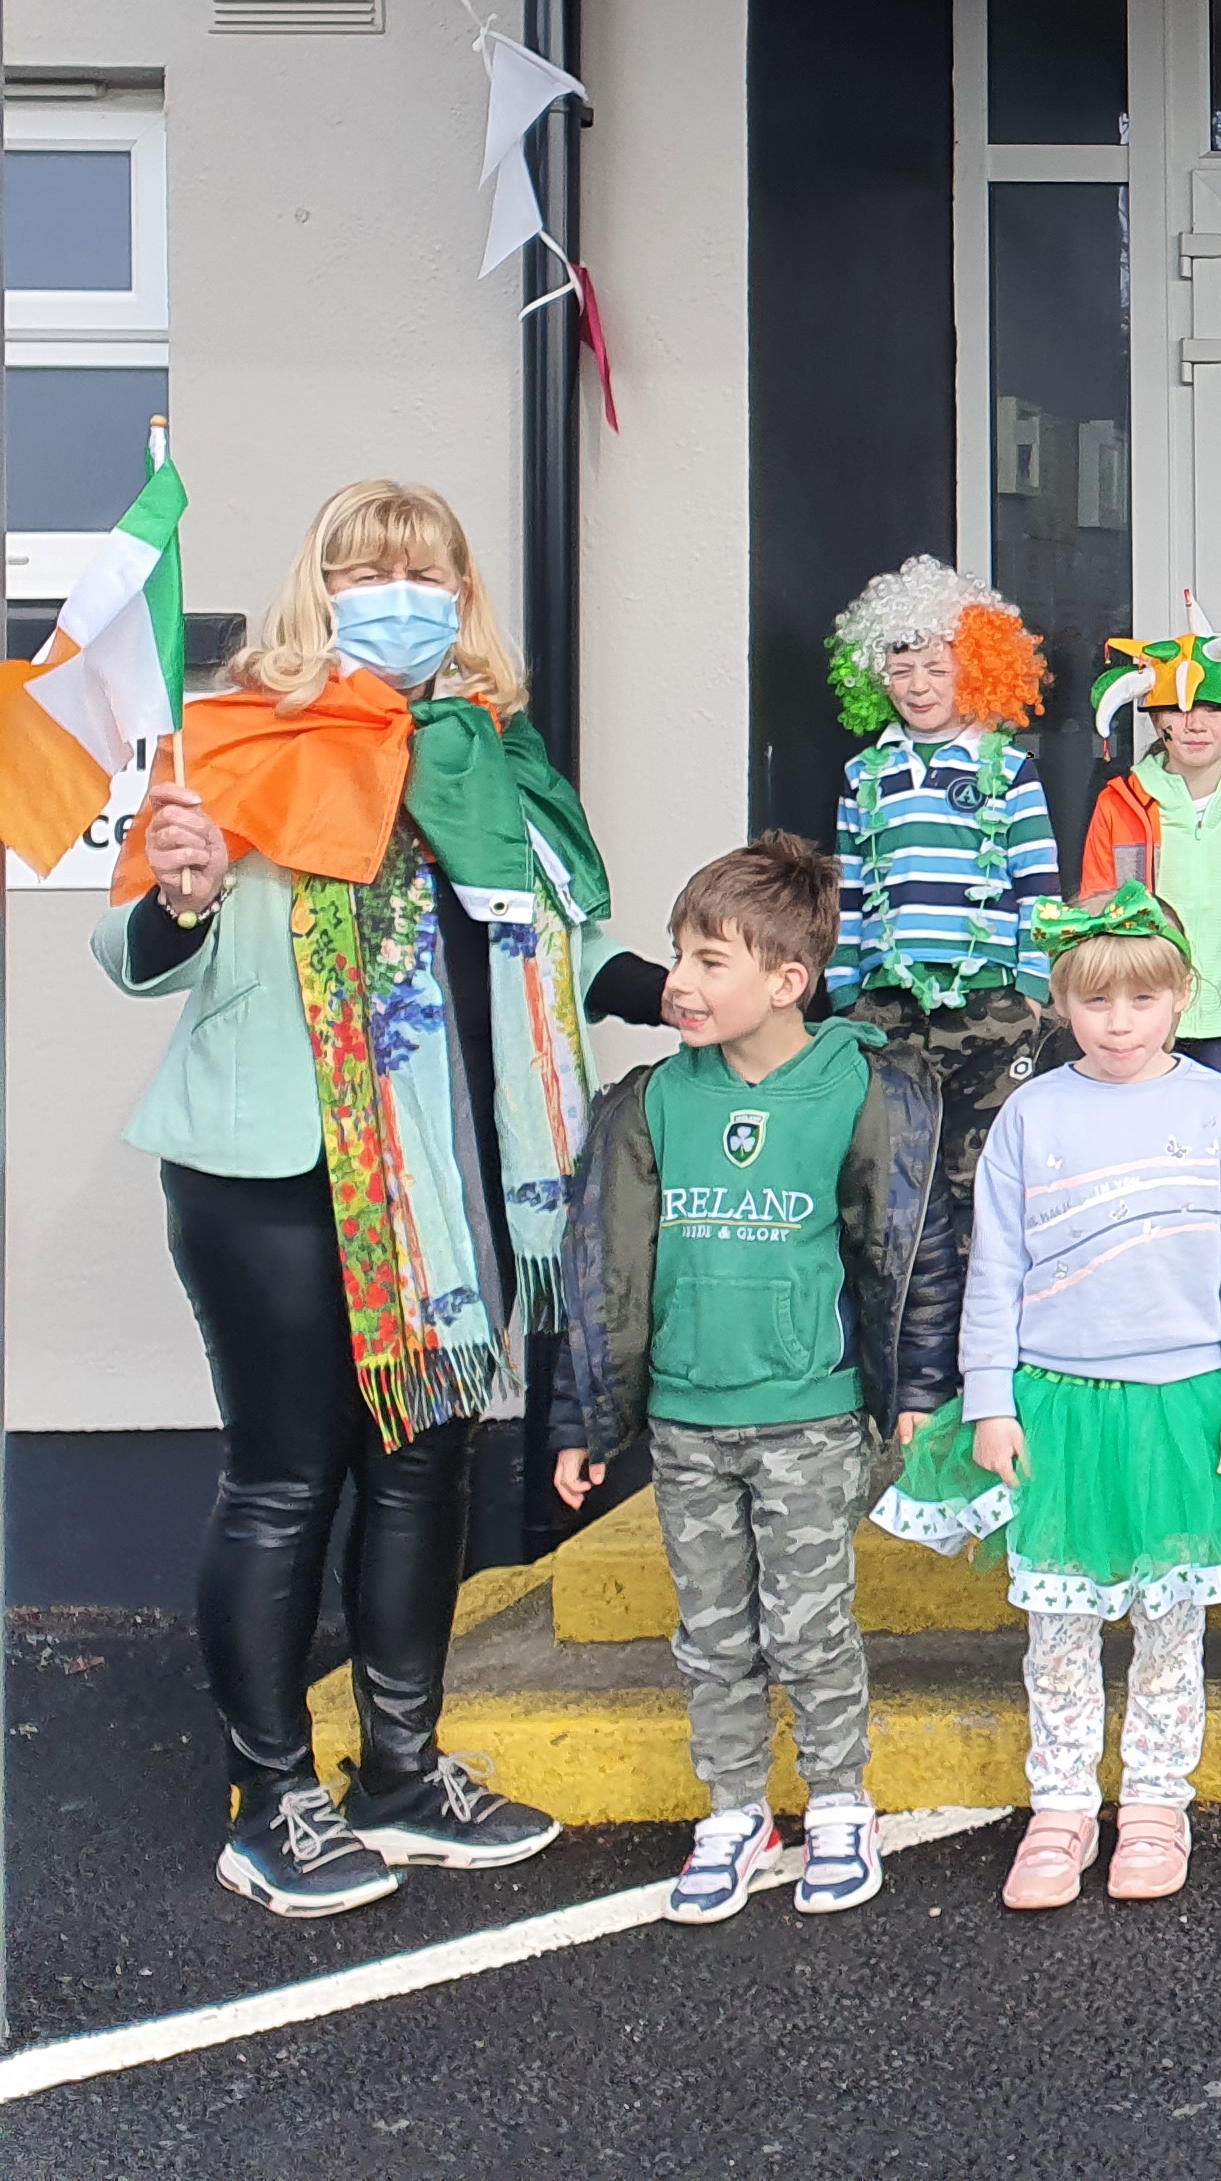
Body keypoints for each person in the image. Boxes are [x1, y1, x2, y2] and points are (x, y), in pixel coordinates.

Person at [109, 479, 658, 1910]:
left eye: (425, 573)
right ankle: (273, 1798)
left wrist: (690, 993)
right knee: (289, 1478)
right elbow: (136, 955)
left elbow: (563, 947)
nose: (397, 597)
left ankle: (401, 1777)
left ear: (462, 599)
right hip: (282, 1177)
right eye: (364, 573)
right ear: (319, 590)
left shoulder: (495, 757)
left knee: (422, 1466)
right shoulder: (244, 739)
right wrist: (181, 892)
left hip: (458, 1178)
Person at [553, 831, 955, 1925]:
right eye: (677, 954)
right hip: (686, 1423)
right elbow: (602, 1272)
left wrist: (919, 1390)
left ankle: (839, 1804)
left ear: (787, 981)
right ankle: (735, 1812)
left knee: (810, 1630)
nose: (677, 982)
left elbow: (911, 1252)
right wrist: (582, 1419)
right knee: (714, 1636)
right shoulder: (649, 1103)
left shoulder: (862, 1089)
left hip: (810, 1418)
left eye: (708, 961)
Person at [873, 889, 1221, 1912]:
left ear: (1183, 995)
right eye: (1096, 1001)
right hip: (1057, 1402)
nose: (1119, 1022)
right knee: (1058, 1631)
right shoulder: (1033, 1112)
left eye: (1142, 999)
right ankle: (1061, 1806)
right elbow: (996, 1266)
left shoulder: (1220, 1108)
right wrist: (991, 1400)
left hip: (1183, 1403)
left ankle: (1155, 1803)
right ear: (1059, 1002)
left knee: (1170, 1621)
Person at [824, 554, 1061, 1234]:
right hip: (886, 1003)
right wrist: (843, 992)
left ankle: (980, 1297)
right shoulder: (864, 774)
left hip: (989, 1001)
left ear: (977, 671)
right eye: (901, 670)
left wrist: (1032, 988)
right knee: (890, 1170)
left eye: (937, 668)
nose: (918, 686)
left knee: (981, 1175)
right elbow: (847, 888)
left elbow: (1038, 884)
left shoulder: (1008, 769)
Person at [1078, 607, 1221, 1083]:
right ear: (1156, 719)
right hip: (1141, 1015)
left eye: (1214, 709)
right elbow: (1097, 910)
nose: (1195, 724)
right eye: (1178, 709)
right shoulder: (1119, 803)